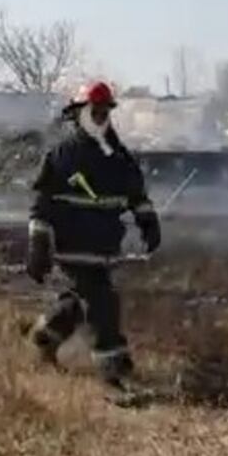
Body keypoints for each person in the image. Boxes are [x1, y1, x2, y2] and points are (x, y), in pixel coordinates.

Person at [26, 81, 161, 389]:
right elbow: (41, 207)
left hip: (104, 247)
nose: (100, 117)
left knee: (77, 302)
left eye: (104, 112)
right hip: (73, 247)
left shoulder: (118, 157)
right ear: (77, 115)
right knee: (102, 304)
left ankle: (43, 340)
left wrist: (148, 221)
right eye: (94, 111)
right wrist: (38, 246)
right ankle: (114, 373)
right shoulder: (61, 156)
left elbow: (136, 194)